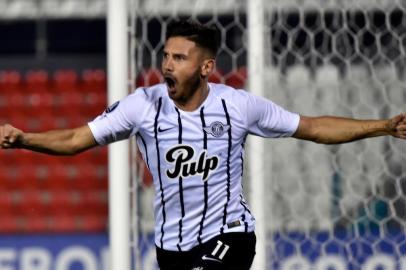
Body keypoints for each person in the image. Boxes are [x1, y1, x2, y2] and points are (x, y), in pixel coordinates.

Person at [1, 20, 406, 270]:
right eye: (166, 56)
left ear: (206, 67)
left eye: (179, 58)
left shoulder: (239, 106)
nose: (167, 66)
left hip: (230, 235)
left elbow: (314, 127)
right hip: (171, 247)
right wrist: (24, 139)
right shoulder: (143, 105)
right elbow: (76, 139)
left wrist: (383, 126)